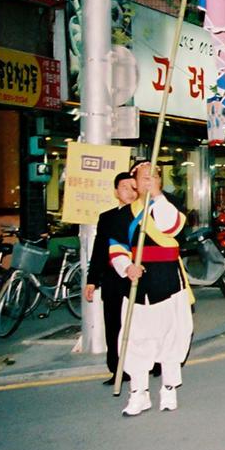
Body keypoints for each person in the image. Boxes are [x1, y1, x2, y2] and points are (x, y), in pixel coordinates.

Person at [108, 161, 194, 416]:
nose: (148, 180)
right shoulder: (123, 215)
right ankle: (139, 393)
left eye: (153, 177)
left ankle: (168, 389)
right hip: (136, 286)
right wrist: (126, 267)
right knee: (135, 340)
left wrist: (157, 195)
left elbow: (172, 228)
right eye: (143, 177)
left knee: (172, 337)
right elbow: (116, 248)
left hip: (168, 283)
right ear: (134, 181)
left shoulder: (172, 204)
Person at [84, 171, 138, 384]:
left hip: (139, 277)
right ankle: (117, 369)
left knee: (141, 324)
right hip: (113, 280)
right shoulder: (107, 217)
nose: (130, 192)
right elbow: (99, 251)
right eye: (124, 188)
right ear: (116, 192)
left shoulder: (146, 214)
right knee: (113, 323)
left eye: (133, 188)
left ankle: (151, 364)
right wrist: (91, 279)